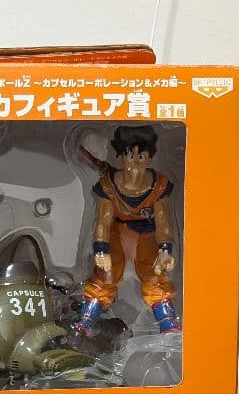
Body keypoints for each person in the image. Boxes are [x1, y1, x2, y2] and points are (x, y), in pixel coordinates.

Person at [74, 124, 181, 335]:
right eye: (130, 157)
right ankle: (87, 319)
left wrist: (165, 249)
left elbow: (163, 221)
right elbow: (103, 221)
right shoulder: (108, 186)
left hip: (147, 234)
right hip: (118, 233)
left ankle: (167, 321)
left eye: (141, 157)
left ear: (149, 158)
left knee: (154, 274)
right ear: (121, 158)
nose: (135, 164)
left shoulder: (159, 185)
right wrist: (101, 249)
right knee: (105, 274)